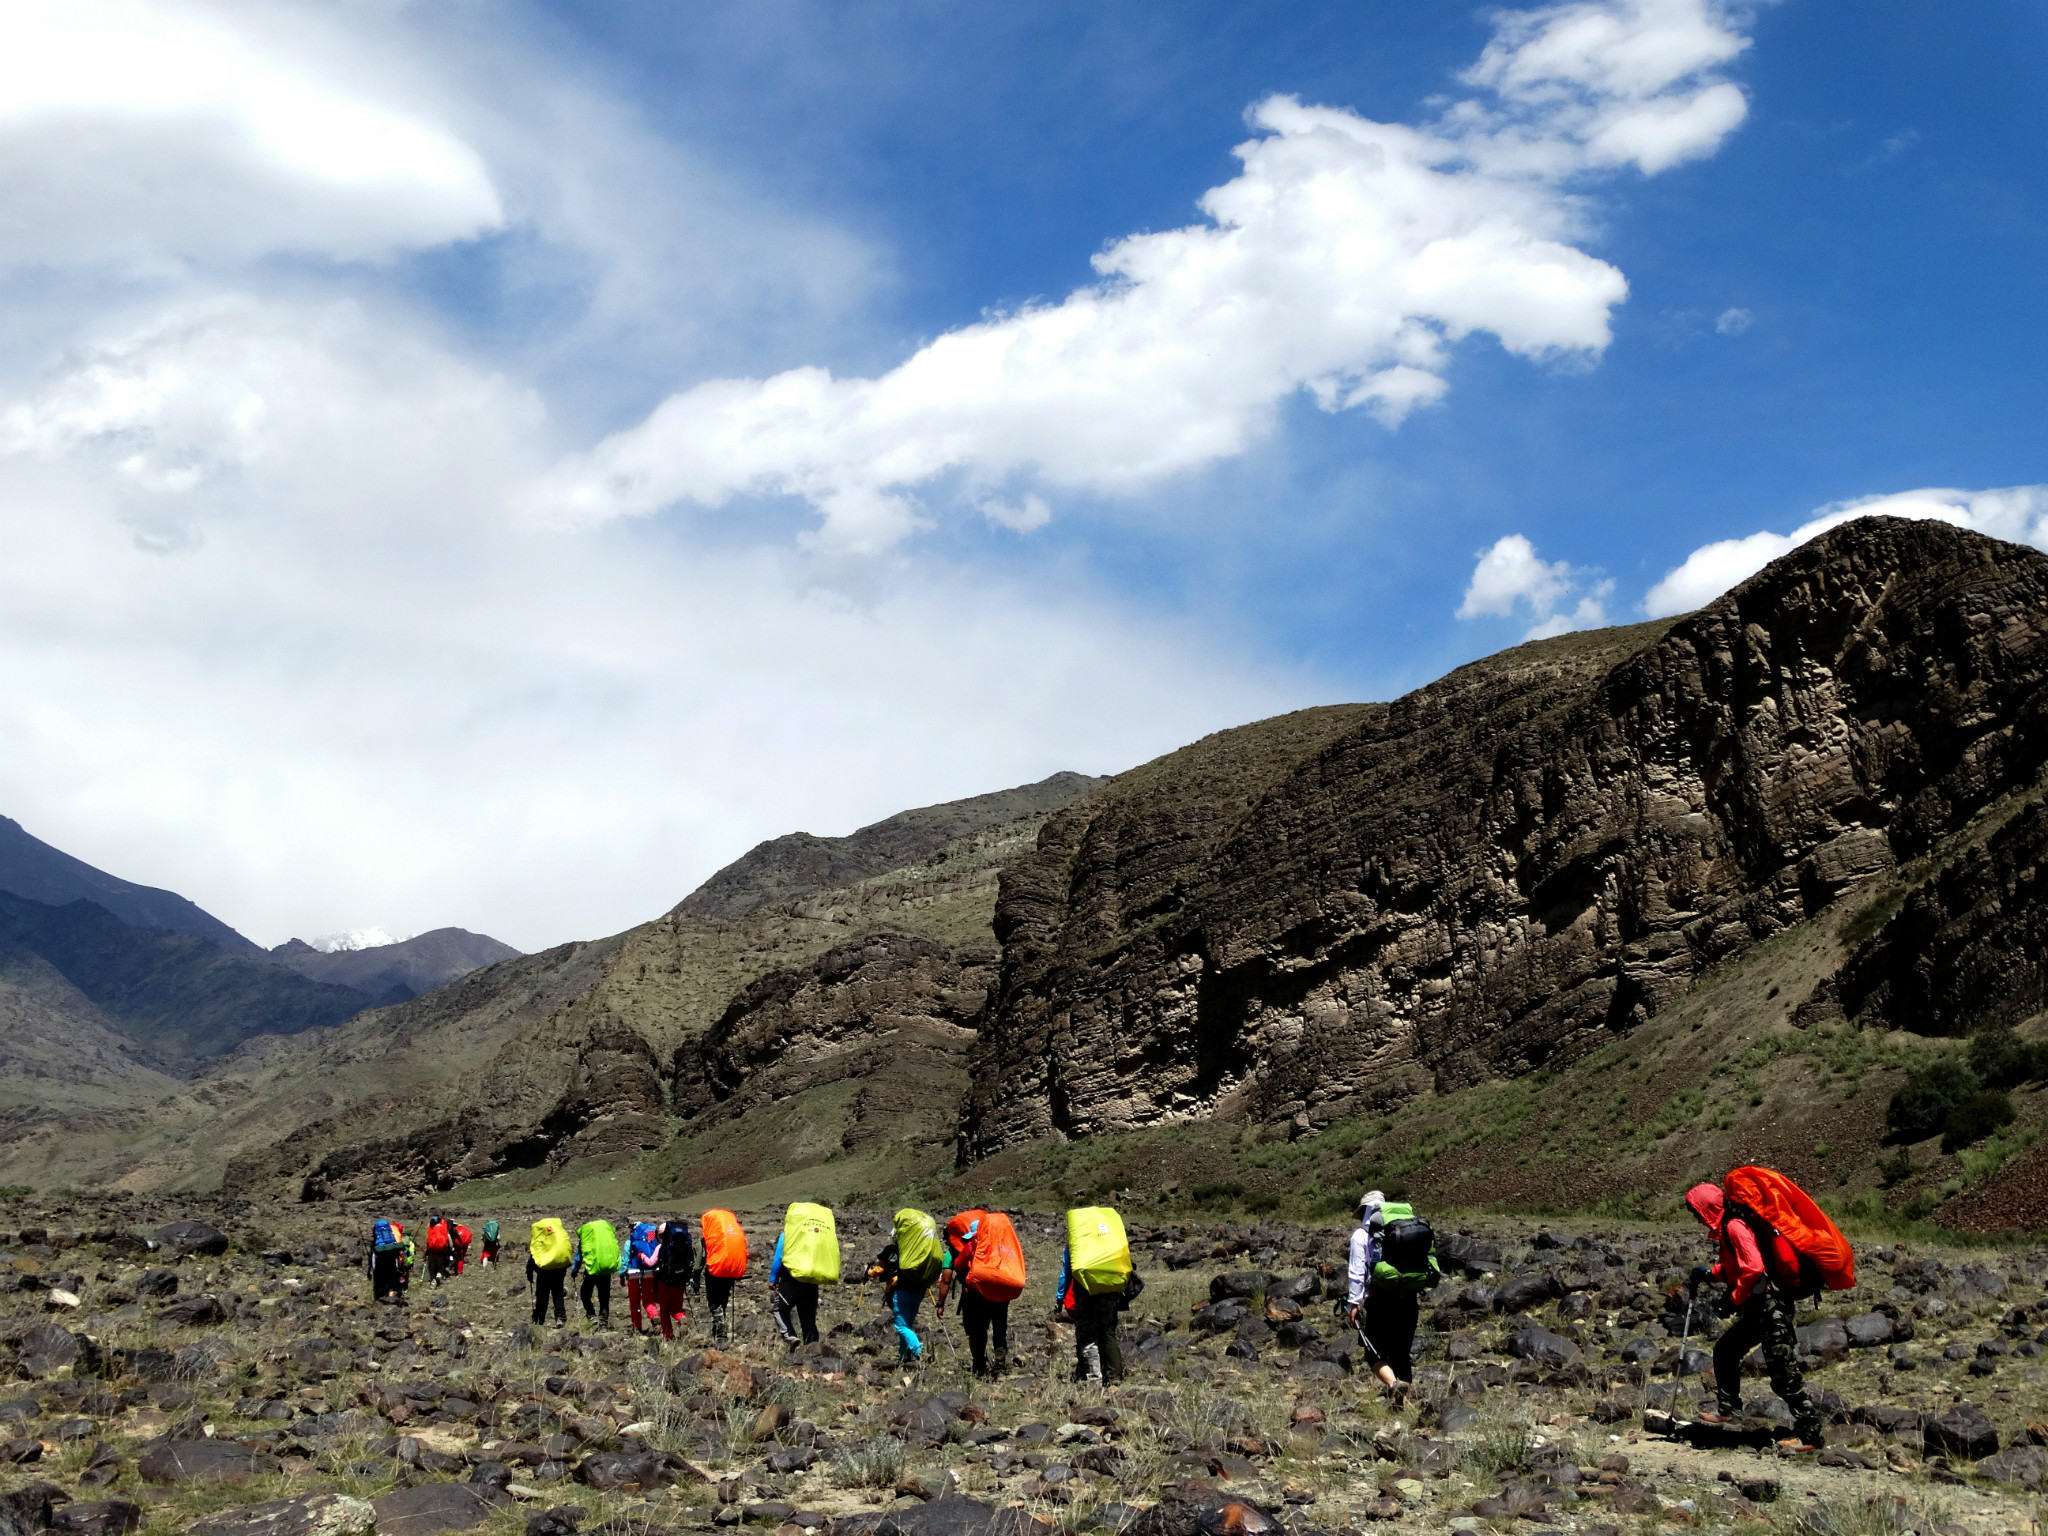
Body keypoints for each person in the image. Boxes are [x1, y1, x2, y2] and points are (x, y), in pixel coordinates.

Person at [1684, 1182, 1826, 1451]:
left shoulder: (1734, 1226)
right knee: (1726, 1350)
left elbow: (1753, 1267)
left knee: (1782, 1371)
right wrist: (1710, 1273)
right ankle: (1729, 1409)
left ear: (1707, 1208)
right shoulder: (1730, 1226)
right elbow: (1733, 1266)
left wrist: (1733, 1298)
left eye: (1697, 1212)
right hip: (1758, 1306)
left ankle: (1810, 1434)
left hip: (1771, 1307)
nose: (1698, 1219)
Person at [1346, 1190, 1436, 1396]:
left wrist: (1354, 1303)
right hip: (1408, 1295)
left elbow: (1357, 1273)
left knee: (1372, 1351)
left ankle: (1393, 1385)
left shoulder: (1361, 1235)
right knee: (1402, 1350)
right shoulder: (1403, 1229)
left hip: (1380, 1298)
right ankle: (1406, 1400)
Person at [934, 1208, 1022, 1380]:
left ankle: (979, 1367)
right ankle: (1000, 1366)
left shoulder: (958, 1250)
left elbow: (947, 1279)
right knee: (999, 1329)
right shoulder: (996, 1247)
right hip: (999, 1294)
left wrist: (940, 1303)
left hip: (975, 1297)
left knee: (977, 1331)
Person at [1057, 1211, 1142, 1385]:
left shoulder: (1076, 1243)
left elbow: (1066, 1273)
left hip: (1086, 1290)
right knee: (1108, 1333)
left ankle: (1092, 1377)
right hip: (1110, 1290)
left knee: (1087, 1334)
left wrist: (1060, 1297)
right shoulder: (1108, 1240)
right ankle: (1114, 1377)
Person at [771, 1229, 821, 1347]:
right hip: (811, 1281)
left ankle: (791, 1337)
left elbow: (779, 1258)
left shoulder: (788, 1234)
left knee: (779, 1309)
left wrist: (773, 1278)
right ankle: (812, 1349)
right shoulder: (814, 1235)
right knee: (808, 1318)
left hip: (791, 1280)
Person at [653, 1217, 697, 1342]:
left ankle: (668, 1336)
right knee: (677, 1309)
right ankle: (682, 1319)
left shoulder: (663, 1247)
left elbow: (656, 1263)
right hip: (680, 1281)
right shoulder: (684, 1245)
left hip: (665, 1282)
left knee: (665, 1311)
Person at [572, 1218, 622, 1328]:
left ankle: (592, 1316)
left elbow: (579, 1257)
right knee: (604, 1297)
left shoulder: (587, 1237)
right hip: (606, 1270)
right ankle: (603, 1323)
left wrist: (574, 1270)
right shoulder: (605, 1237)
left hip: (592, 1271)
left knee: (585, 1294)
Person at [527, 1217, 572, 1327]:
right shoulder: (557, 1237)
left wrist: (529, 1273)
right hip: (559, 1268)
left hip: (544, 1271)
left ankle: (539, 1320)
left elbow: (533, 1256)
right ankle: (560, 1318)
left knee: (542, 1295)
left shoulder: (540, 1238)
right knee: (558, 1293)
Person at [625, 1221, 662, 1336]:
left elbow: (625, 1259)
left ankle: (637, 1327)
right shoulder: (651, 1238)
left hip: (633, 1272)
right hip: (648, 1271)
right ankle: (654, 1315)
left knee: (634, 1301)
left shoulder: (630, 1242)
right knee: (648, 1299)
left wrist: (622, 1274)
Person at [368, 1217, 406, 1303]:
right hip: (391, 1263)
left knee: (380, 1281)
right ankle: (391, 1295)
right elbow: (397, 1254)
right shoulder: (391, 1241)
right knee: (390, 1279)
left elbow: (373, 1259)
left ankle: (379, 1299)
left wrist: (371, 1270)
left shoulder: (375, 1244)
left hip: (379, 1266)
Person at [424, 1214, 456, 1285]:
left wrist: (427, 1249)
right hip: (441, 1250)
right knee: (440, 1263)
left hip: (432, 1249)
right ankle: (439, 1273)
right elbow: (448, 1237)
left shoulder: (430, 1227)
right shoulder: (443, 1227)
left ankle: (433, 1280)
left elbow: (427, 1239)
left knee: (431, 1265)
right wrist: (451, 1247)